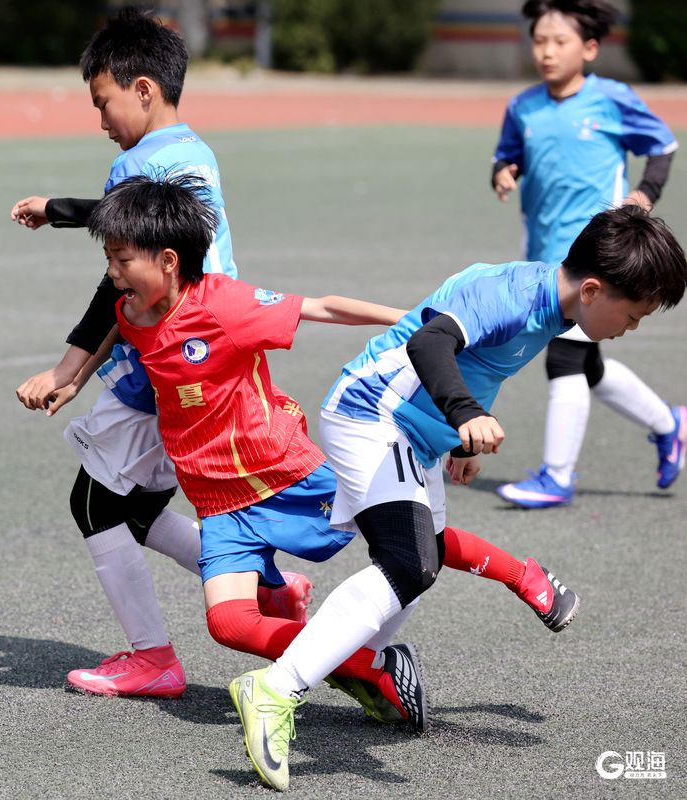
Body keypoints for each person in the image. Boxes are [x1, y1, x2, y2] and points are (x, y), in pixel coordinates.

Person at [83, 174, 630, 790]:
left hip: (284, 471)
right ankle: (364, 666)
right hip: (235, 487)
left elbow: (338, 311)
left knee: (411, 551)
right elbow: (444, 343)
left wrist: (435, 371)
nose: (112, 274)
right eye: (111, 259)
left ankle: (316, 673)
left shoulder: (222, 304)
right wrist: (68, 374)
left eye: (121, 260)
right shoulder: (129, 310)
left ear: (167, 260)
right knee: (238, 621)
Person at [221, 203, 686, 790]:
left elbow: (484, 360)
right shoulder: (513, 294)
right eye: (634, 314)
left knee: (423, 560)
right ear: (593, 290)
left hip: (417, 430)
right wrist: (465, 413)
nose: (632, 327)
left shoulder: (556, 305)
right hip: (373, 413)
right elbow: (431, 344)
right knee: (408, 563)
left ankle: (357, 666)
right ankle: (275, 688)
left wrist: (460, 435)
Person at [10, 8, 314, 700]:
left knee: (94, 505)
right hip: (206, 362)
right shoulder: (193, 154)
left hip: (161, 368)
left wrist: (68, 369)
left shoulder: (135, 164)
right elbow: (134, 228)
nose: (100, 119)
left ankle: (154, 659)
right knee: (139, 512)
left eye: (103, 102)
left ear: (142, 90)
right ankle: (270, 584)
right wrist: (60, 208)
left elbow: (120, 285)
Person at [492, 0, 683, 509]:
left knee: (565, 356)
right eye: (539, 41)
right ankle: (670, 424)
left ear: (590, 48)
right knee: (588, 364)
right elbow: (507, 155)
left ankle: (557, 476)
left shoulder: (612, 99)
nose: (547, 51)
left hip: (599, 258)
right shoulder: (523, 106)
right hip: (545, 259)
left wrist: (645, 193)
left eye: (560, 42)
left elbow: (663, 146)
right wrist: (504, 173)